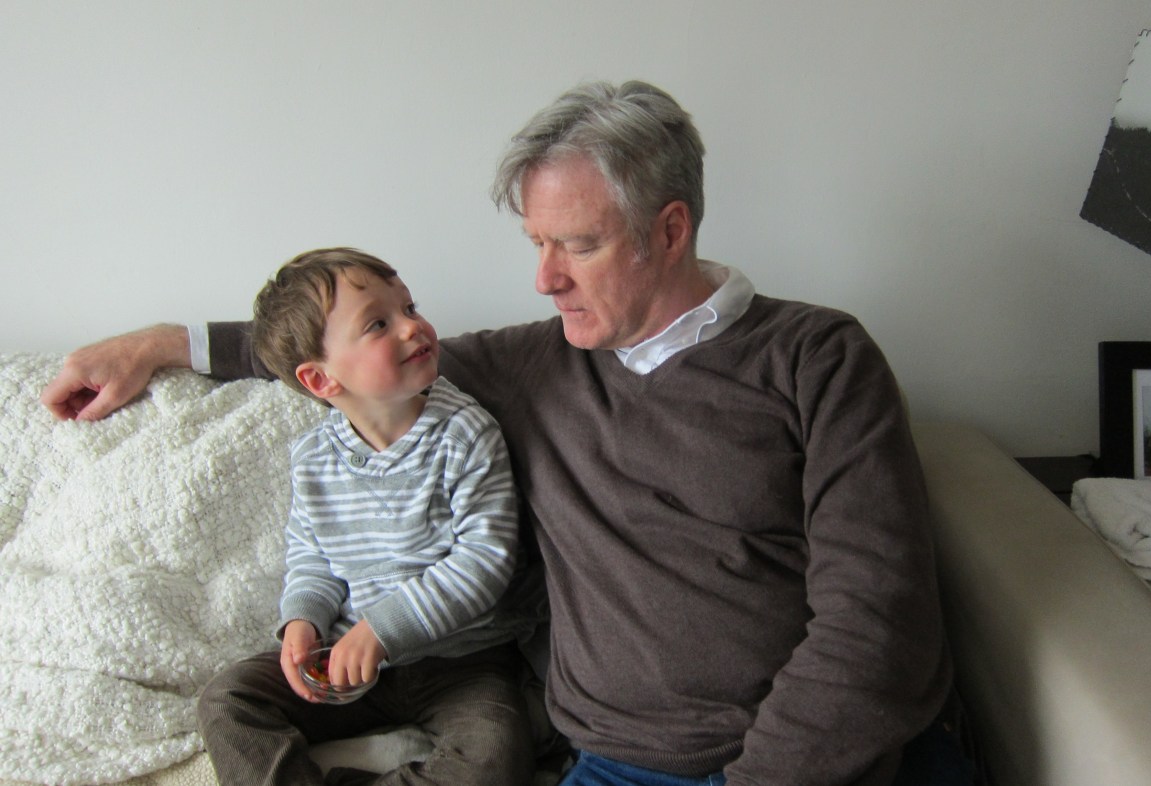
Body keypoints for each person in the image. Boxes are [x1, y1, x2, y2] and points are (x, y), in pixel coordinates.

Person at [43, 81, 966, 785]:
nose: (545, 280)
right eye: (536, 244)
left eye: (578, 245)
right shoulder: (539, 362)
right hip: (614, 762)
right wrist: (162, 344)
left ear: (668, 230)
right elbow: (334, 353)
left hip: (798, 764)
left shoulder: (817, 357)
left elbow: (879, 618)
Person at [195, 248, 535, 786]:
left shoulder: (467, 433)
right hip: (347, 656)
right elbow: (312, 557)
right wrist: (303, 619)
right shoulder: (313, 457)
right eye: (378, 323)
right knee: (226, 700)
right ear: (320, 380)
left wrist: (383, 629)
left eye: (409, 307)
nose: (411, 326)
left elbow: (484, 562)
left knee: (498, 755)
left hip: (460, 660)